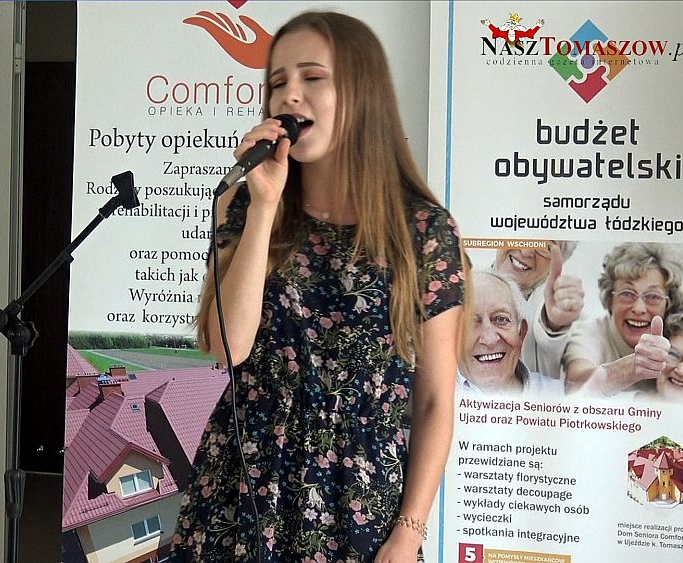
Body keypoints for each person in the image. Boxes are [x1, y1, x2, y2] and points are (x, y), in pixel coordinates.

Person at [171, 11, 465, 562]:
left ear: (362, 93)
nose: (290, 96)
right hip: (243, 489)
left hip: (357, 502)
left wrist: (409, 532)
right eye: (278, 82)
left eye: (313, 77)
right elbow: (226, 347)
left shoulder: (423, 231)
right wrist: (264, 208)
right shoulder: (247, 205)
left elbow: (434, 401)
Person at [561, 242, 683, 397]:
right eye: (627, 294)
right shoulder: (589, 333)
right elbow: (575, 385)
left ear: (669, 304)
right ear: (610, 300)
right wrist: (635, 366)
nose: (639, 308)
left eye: (653, 297)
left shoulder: (678, 339)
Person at [458, 270, 563, 396]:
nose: (490, 339)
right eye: (469, 323)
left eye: (501, 319)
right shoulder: (436, 400)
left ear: (522, 332)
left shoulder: (562, 396)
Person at [493, 241, 583, 379]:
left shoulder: (566, 312)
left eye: (545, 246)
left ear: (561, 258)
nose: (525, 251)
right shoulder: (463, 283)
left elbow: (550, 339)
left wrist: (554, 325)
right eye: (522, 231)